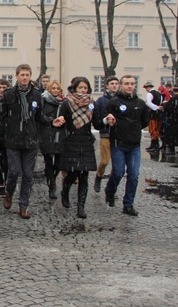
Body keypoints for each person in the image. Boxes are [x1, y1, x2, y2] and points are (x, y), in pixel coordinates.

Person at [1, 64, 57, 219]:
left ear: (30, 76)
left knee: (28, 175)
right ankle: (9, 193)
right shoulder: (9, 94)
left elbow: (39, 117)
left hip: (31, 140)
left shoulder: (37, 95)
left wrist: (52, 122)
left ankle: (23, 206)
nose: (25, 77)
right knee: (14, 171)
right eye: (22, 75)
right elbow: (3, 114)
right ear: (17, 76)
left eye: (27, 75)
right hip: (13, 140)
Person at [103, 75, 149, 216]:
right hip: (118, 143)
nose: (130, 86)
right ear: (121, 85)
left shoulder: (140, 103)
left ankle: (128, 204)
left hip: (134, 145)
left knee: (134, 175)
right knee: (118, 172)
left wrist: (133, 128)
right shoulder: (114, 102)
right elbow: (105, 118)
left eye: (132, 84)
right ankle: (110, 191)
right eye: (127, 83)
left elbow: (145, 121)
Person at [55, 77, 96, 218]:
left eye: (85, 88)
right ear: (75, 88)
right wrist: (60, 123)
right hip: (71, 140)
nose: (83, 90)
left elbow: (96, 122)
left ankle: (81, 207)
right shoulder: (67, 103)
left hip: (85, 141)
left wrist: (105, 119)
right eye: (80, 88)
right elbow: (61, 121)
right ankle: (65, 190)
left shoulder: (91, 103)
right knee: (72, 174)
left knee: (84, 175)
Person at [38, 80, 65, 200]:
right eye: (53, 88)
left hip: (60, 134)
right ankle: (52, 186)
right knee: (48, 161)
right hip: (46, 133)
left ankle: (51, 178)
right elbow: (39, 117)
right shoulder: (43, 100)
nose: (55, 90)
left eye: (57, 88)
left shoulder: (63, 102)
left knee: (59, 163)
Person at [92, 76, 119, 191]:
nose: (114, 85)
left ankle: (111, 186)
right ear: (107, 86)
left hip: (119, 136)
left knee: (117, 164)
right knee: (105, 160)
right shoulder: (101, 101)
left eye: (116, 83)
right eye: (112, 83)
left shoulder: (121, 99)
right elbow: (97, 118)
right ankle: (99, 175)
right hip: (106, 134)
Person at [142, 81, 163, 152]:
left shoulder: (149, 94)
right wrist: (158, 107)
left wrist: (155, 107)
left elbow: (148, 103)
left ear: (148, 87)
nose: (146, 90)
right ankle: (155, 145)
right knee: (157, 129)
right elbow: (160, 103)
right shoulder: (159, 94)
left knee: (153, 129)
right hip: (159, 114)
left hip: (153, 114)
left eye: (146, 88)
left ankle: (154, 144)